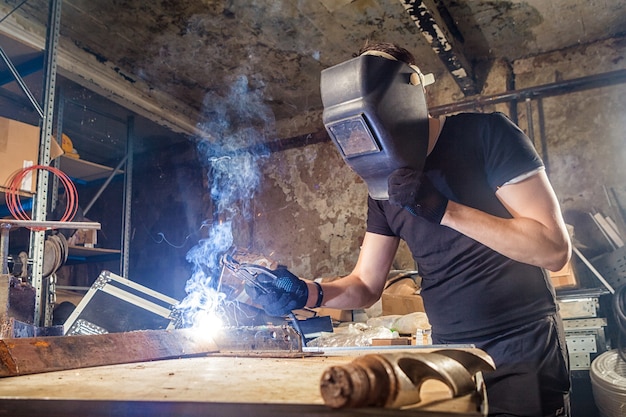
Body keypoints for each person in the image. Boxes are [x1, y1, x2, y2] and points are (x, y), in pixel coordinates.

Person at [246, 42, 572, 417]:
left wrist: (443, 209)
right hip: (450, 354)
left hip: (521, 346)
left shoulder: (487, 135)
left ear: (411, 93)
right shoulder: (382, 184)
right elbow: (366, 286)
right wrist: (306, 293)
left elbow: (552, 249)